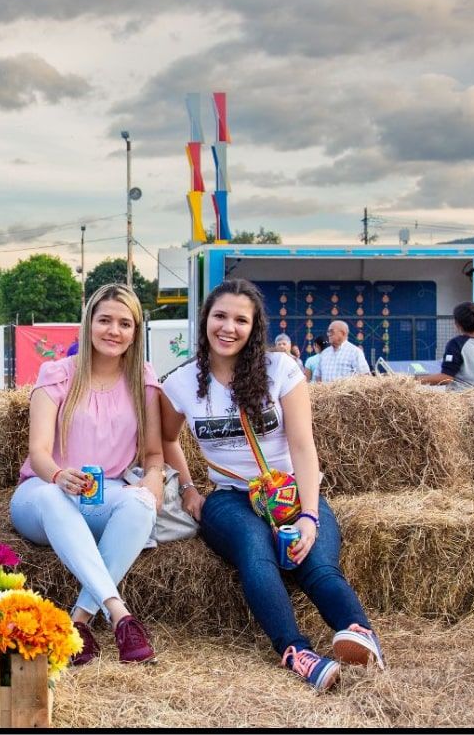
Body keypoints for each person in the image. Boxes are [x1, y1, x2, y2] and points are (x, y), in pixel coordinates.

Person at [160, 278, 384, 692]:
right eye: (220, 316)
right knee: (253, 547)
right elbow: (167, 438)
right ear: (205, 320)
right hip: (230, 498)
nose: (228, 327)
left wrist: (311, 516)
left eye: (240, 320)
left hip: (287, 491)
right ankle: (296, 651)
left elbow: (302, 445)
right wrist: (189, 488)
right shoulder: (180, 383)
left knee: (313, 562)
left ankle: (359, 634)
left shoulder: (280, 369)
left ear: (254, 327)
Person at [10, 283, 162, 665]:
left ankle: (77, 622)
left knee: (140, 504)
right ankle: (120, 614)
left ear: (136, 331)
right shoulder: (57, 373)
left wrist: (155, 478)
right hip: (42, 493)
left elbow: (155, 453)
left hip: (102, 496)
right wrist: (59, 475)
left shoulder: (143, 378)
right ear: (88, 323)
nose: (114, 331)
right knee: (52, 497)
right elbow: (38, 453)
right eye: (105, 320)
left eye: (125, 323)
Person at [417, 302, 474, 390]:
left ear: (458, 323)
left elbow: (446, 377)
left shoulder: (456, 344)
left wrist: (415, 380)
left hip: (461, 398)